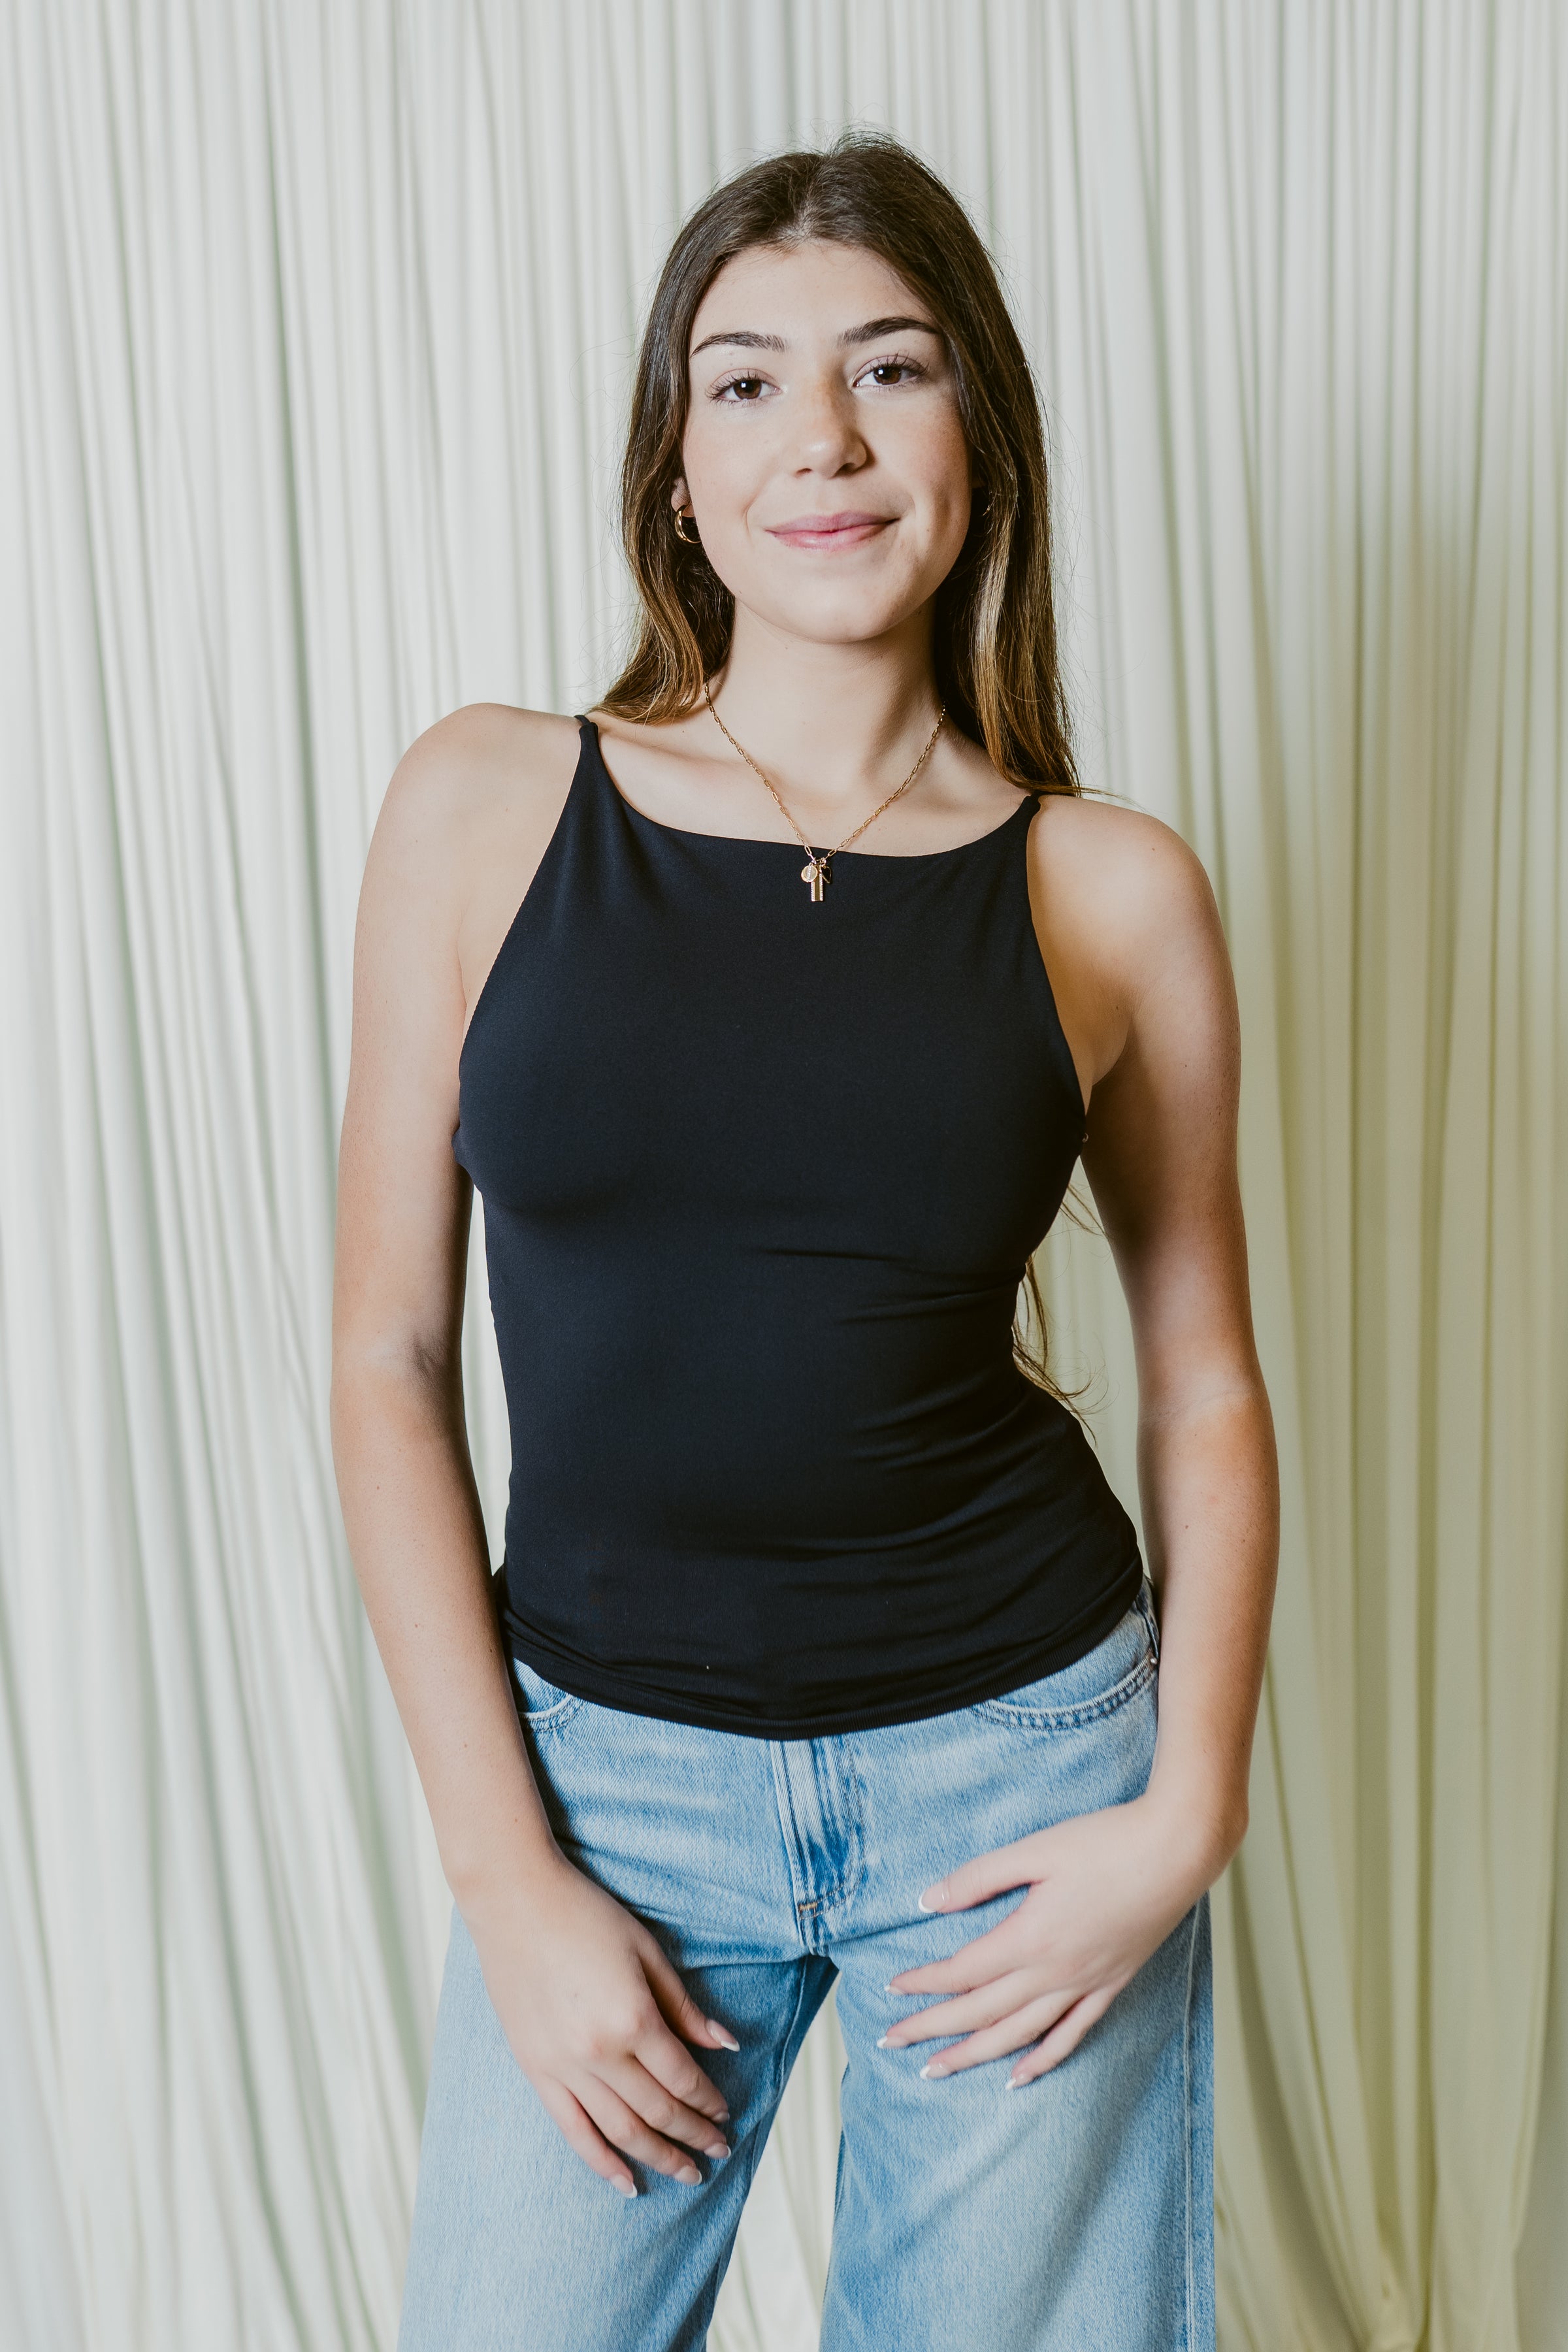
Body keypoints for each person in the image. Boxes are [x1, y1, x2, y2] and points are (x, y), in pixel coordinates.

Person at [331, 127, 1279, 2352]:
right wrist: (509, 1874)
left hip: (1021, 1764)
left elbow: (1207, 1382)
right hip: (610, 1778)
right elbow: (387, 1359)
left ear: (980, 437)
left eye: (891, 367)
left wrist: (1188, 1813)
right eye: (745, 382)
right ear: (677, 472)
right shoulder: (484, 804)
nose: (821, 439)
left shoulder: (1111, 890)